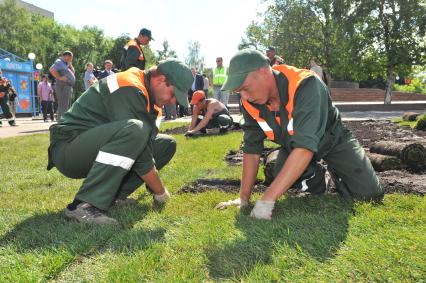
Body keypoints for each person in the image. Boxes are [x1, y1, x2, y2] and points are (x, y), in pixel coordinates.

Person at [216, 49, 383, 220]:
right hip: (293, 146)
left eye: (245, 88)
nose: (244, 97)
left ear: (264, 72)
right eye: (239, 92)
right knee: (278, 170)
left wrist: (267, 200)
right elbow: (252, 148)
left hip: (333, 140)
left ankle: (336, 169)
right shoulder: (249, 101)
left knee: (369, 194)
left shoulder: (306, 84)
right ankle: (320, 180)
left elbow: (305, 148)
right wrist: (243, 198)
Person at [47, 59, 193, 225]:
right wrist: (160, 191)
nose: (173, 101)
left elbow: (147, 144)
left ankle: (114, 196)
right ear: (160, 80)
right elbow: (140, 149)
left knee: (166, 144)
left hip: (88, 143)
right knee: (135, 130)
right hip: (68, 148)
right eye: (173, 94)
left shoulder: (146, 94)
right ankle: (84, 205)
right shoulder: (129, 86)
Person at [49, 51, 75, 121]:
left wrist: (70, 64)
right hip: (62, 85)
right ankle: (62, 120)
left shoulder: (66, 63)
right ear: (66, 56)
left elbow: (73, 73)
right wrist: (60, 78)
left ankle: (63, 120)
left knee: (65, 104)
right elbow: (51, 70)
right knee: (63, 104)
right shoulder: (59, 61)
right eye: (70, 58)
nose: (71, 60)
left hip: (68, 85)